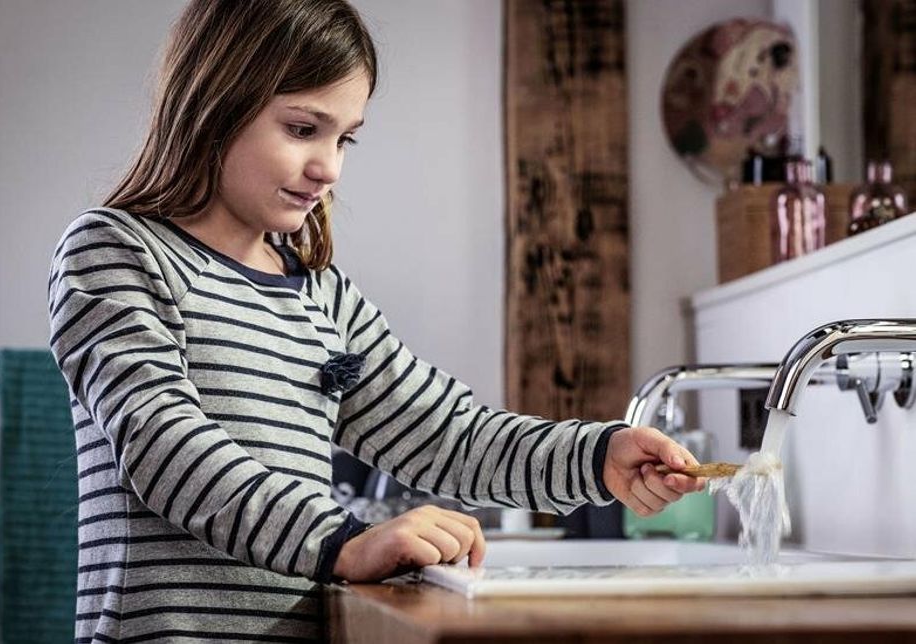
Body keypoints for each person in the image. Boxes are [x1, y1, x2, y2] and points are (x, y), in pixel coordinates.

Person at [46, 1, 705, 641]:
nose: (327, 168)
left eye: (344, 137)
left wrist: (597, 457)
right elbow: (164, 446)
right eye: (303, 128)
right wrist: (340, 542)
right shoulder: (116, 252)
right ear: (215, 105)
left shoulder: (322, 298)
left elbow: (449, 436)